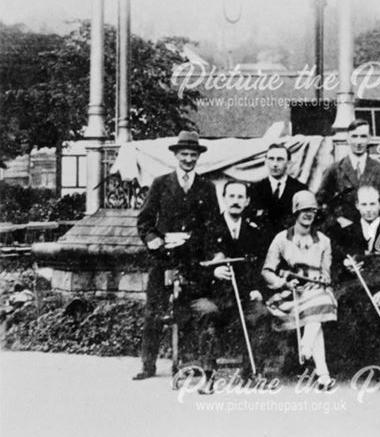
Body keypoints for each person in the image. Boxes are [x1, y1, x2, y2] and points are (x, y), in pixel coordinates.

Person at [133, 131, 218, 381]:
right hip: (164, 260)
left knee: (189, 313)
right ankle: (147, 365)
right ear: (176, 155)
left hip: (192, 261)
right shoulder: (161, 183)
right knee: (154, 313)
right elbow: (145, 221)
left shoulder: (207, 187)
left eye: (193, 155)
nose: (188, 159)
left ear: (198, 157)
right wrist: (153, 240)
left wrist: (195, 242)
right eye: (184, 154)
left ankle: (186, 363)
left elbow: (213, 225)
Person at [193, 180, 269, 391]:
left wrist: (256, 288)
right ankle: (208, 375)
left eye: (240, 197)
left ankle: (254, 372)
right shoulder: (206, 228)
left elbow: (259, 266)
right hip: (211, 294)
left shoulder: (255, 230)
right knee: (208, 312)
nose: (235, 201)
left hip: (242, 295)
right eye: (231, 196)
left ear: (247, 201)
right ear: (224, 199)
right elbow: (190, 264)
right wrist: (212, 271)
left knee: (260, 313)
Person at [333, 185, 380, 387]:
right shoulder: (347, 232)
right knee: (364, 309)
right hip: (358, 287)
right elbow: (338, 260)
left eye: (373, 204)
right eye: (364, 204)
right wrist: (345, 264)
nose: (369, 209)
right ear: (357, 205)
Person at [262, 191, 338, 389]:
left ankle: (306, 347)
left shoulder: (323, 241)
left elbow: (326, 274)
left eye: (312, 210)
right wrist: (283, 283)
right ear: (295, 211)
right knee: (317, 317)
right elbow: (267, 271)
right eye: (304, 210)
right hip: (292, 294)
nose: (308, 214)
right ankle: (323, 375)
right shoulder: (281, 239)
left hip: (317, 293)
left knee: (321, 301)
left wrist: (321, 279)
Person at [317, 119, 380, 225]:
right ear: (347, 138)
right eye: (354, 136)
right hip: (344, 233)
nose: (358, 142)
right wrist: (336, 220)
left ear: (370, 139)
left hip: (374, 231)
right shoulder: (334, 169)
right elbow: (319, 203)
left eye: (363, 136)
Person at [248, 143, 308, 239]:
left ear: (288, 163)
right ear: (265, 161)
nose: (275, 164)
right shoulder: (255, 189)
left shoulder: (299, 189)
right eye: (271, 159)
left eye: (280, 159)